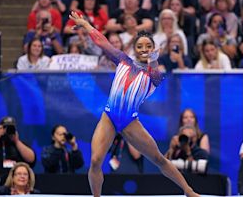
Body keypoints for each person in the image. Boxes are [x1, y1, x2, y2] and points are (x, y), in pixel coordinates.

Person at [68, 11, 200, 197]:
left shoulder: (155, 75)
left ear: (154, 49)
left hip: (130, 122)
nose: (144, 49)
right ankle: (96, 196)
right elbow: (102, 42)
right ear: (134, 49)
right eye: (140, 46)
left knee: (158, 158)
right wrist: (86, 24)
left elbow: (154, 72)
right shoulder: (123, 60)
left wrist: (153, 58)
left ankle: (188, 190)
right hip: (109, 117)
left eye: (148, 46)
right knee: (96, 160)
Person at [0, 116, 36, 195]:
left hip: (18, 190)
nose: (7, 130)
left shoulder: (19, 145)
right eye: (5, 127)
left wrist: (16, 141)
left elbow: (31, 159)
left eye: (11, 128)